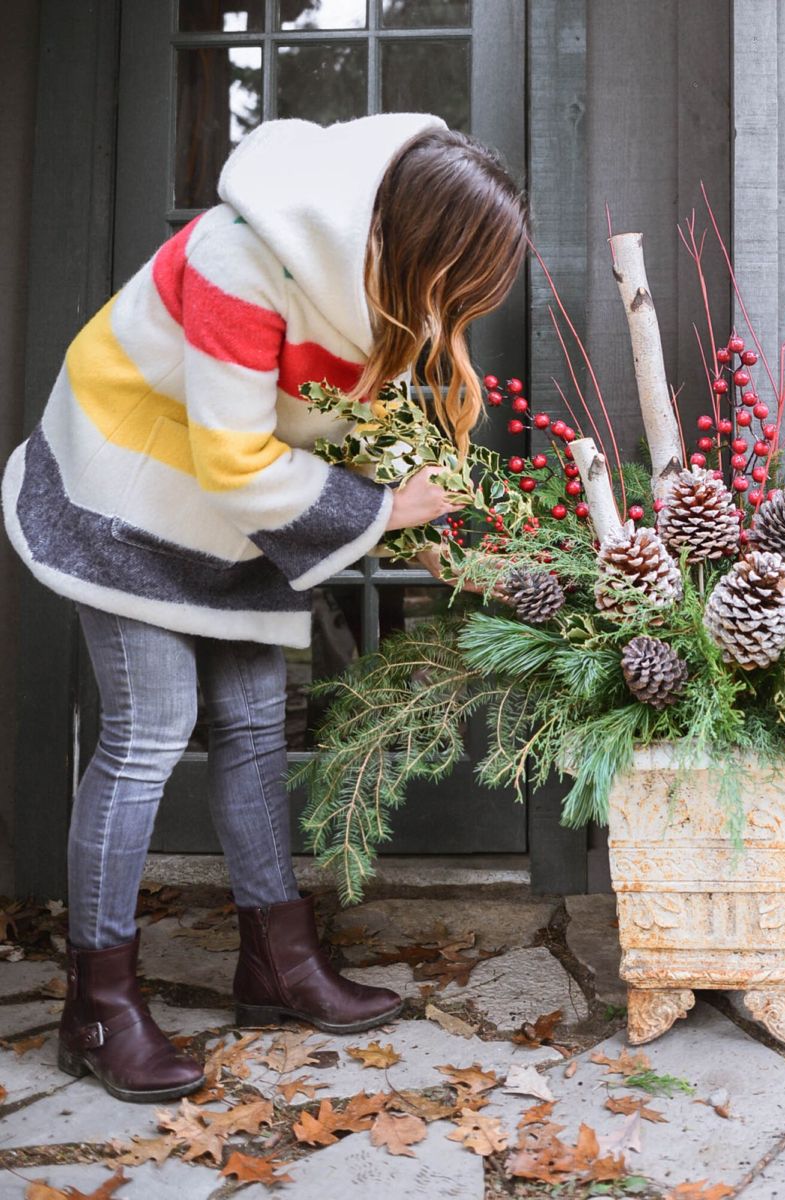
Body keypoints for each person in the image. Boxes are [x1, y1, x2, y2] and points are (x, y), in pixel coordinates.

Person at [0, 112, 529, 1103]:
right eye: (457, 275)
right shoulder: (241, 263)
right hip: (126, 486)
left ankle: (275, 966)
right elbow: (237, 456)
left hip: (228, 505)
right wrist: (380, 508)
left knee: (250, 719)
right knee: (150, 727)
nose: (453, 307)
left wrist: (430, 505)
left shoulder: (364, 281)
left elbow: (323, 428)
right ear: (410, 236)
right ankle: (98, 1005)